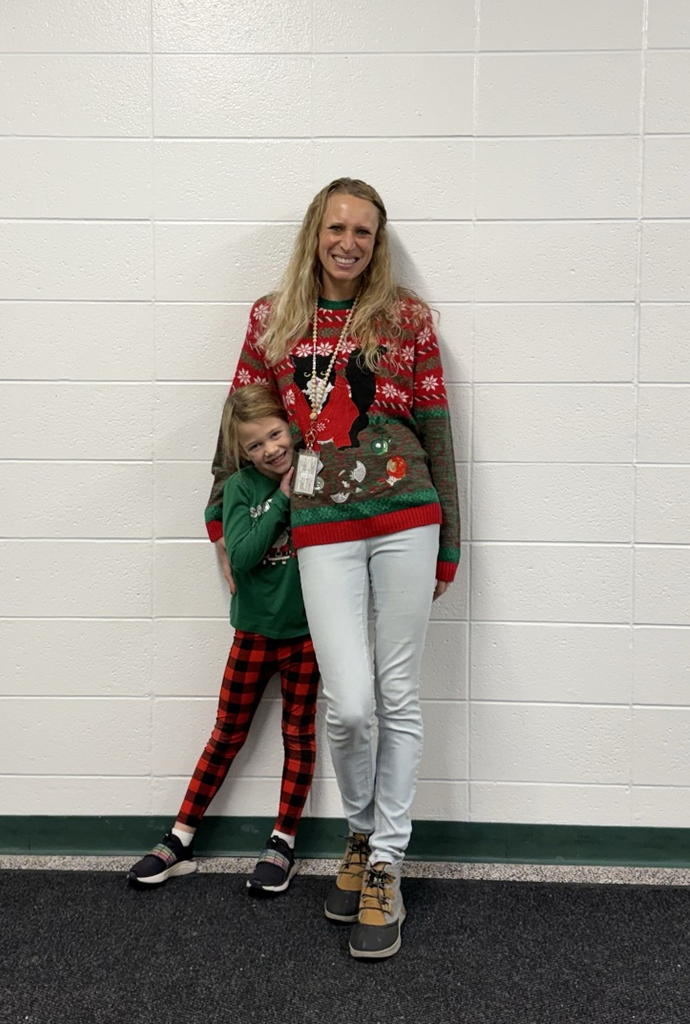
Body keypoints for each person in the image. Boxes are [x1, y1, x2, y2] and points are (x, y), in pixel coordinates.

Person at [205, 178, 460, 958]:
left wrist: (451, 540)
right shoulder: (271, 317)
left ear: (377, 243)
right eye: (337, 227)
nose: (349, 242)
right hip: (319, 521)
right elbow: (241, 415)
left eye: (364, 232)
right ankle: (356, 834)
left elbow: (437, 428)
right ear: (316, 231)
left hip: (406, 515)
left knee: (397, 689)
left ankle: (386, 860)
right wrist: (221, 509)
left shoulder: (406, 317)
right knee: (349, 703)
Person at [129, 384, 320, 896]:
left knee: (298, 735)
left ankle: (282, 842)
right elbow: (242, 555)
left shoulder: (317, 473)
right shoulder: (240, 488)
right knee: (225, 734)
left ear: (292, 426)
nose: (271, 450)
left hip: (308, 636)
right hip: (254, 632)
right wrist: (280, 500)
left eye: (276, 434)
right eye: (255, 445)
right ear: (240, 451)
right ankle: (180, 838)